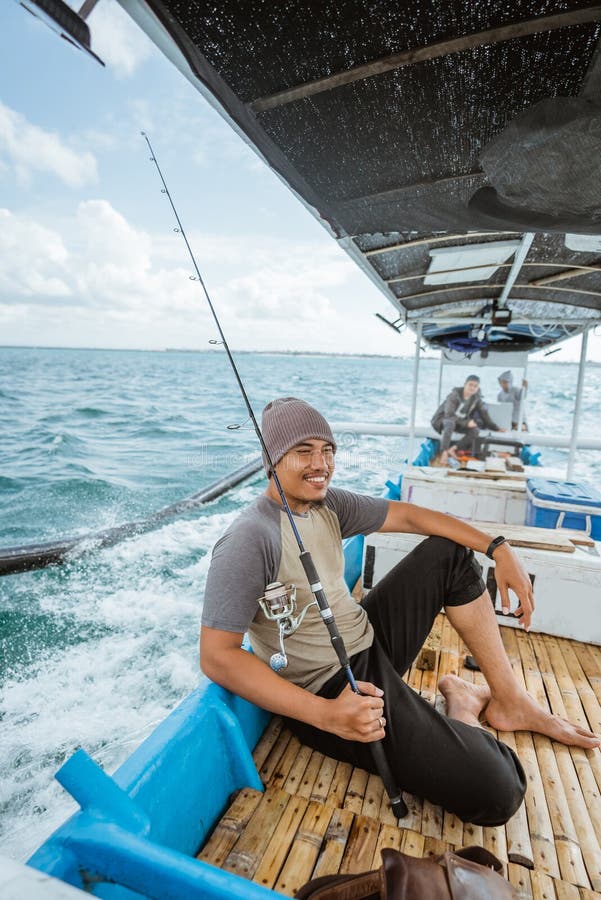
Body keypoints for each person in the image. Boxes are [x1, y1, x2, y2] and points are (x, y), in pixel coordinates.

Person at [200, 398, 599, 827]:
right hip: (333, 690)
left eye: (328, 450)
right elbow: (218, 655)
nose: (321, 464)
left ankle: (510, 699)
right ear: (272, 458)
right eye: (304, 451)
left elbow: (409, 516)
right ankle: (462, 706)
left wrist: (497, 548)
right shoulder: (249, 538)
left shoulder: (328, 504)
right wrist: (328, 716)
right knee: (501, 790)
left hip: (368, 639)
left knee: (449, 554)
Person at [430, 374, 503, 465]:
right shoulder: (453, 395)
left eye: (475, 386)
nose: (472, 388)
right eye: (470, 385)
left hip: (458, 423)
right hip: (441, 420)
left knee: (475, 430)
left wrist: (496, 428)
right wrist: (466, 423)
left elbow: (484, 415)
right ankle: (444, 452)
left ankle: (452, 449)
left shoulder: (476, 399)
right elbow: (449, 415)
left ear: (477, 388)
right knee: (450, 423)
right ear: (465, 384)